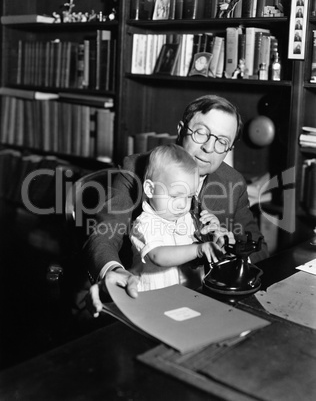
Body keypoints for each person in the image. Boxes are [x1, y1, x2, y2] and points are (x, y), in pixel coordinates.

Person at [84, 94, 269, 317]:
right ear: (181, 129)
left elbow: (258, 247)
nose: (209, 148)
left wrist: (229, 245)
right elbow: (105, 234)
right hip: (140, 298)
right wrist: (113, 270)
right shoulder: (133, 170)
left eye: (222, 141)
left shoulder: (233, 182)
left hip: (203, 301)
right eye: (201, 133)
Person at [129, 143, 229, 292]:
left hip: (192, 294)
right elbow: (158, 255)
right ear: (150, 189)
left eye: (189, 196)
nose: (182, 204)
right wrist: (198, 249)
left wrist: (213, 240)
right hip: (155, 302)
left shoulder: (189, 219)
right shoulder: (144, 223)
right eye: (175, 195)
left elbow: (200, 256)